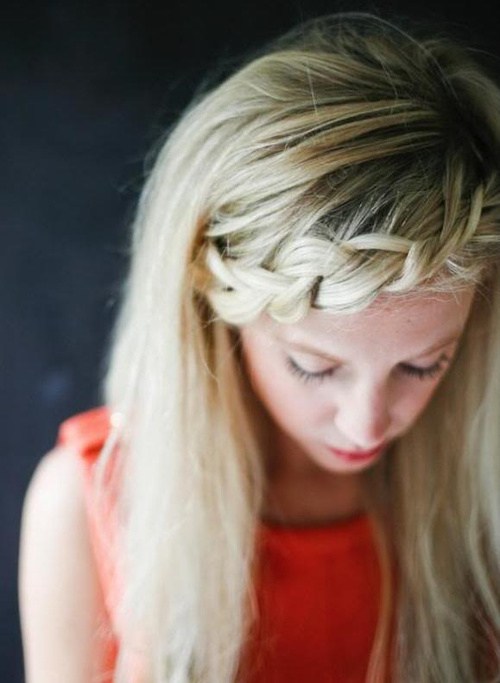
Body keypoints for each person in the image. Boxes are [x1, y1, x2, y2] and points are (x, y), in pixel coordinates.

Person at [18, 12, 500, 683]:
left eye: (424, 364)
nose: (366, 424)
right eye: (314, 366)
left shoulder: (483, 501)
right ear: (211, 310)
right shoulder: (86, 504)